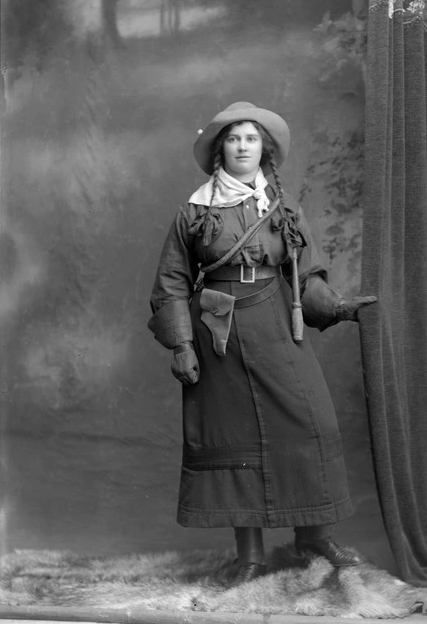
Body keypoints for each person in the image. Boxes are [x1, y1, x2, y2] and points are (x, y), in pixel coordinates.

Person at [148, 101, 377, 587]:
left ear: (264, 149)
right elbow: (171, 281)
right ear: (220, 150)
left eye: (251, 138)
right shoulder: (194, 210)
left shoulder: (284, 207)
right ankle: (249, 555)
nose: (243, 146)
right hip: (217, 327)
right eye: (234, 139)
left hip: (275, 316)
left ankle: (312, 535)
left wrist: (338, 307)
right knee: (233, 439)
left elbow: (306, 275)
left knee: (309, 421)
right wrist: (181, 345)